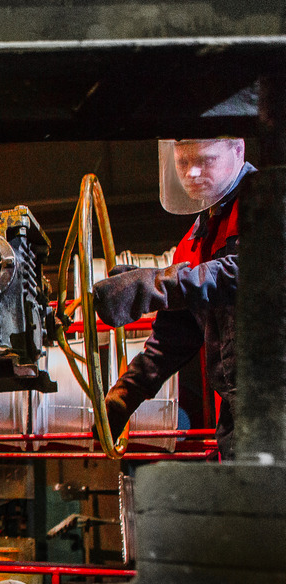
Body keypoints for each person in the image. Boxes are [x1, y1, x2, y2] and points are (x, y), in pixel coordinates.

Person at [93, 138, 255, 459]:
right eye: (182, 162)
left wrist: (157, 284)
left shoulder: (269, 203)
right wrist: (127, 393)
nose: (192, 172)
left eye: (205, 160)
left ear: (238, 149)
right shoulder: (194, 241)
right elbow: (176, 334)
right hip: (241, 418)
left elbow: (248, 271)